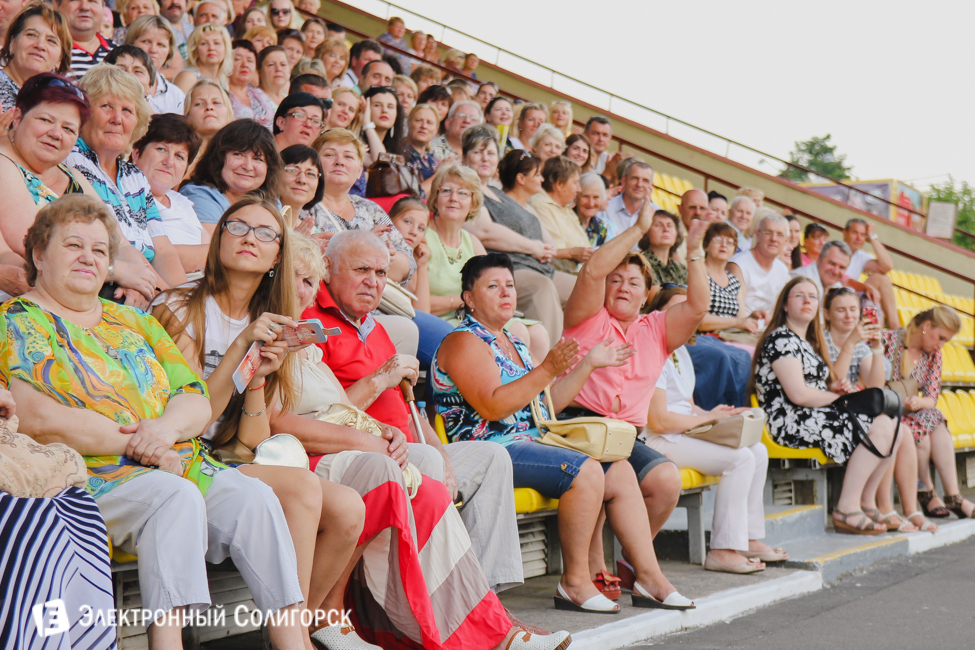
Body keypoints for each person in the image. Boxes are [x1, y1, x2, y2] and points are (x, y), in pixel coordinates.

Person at [2, 193, 310, 648]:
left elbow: (193, 397)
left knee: (254, 499)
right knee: (174, 496)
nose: (88, 257)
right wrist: (141, 445)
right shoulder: (18, 320)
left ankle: (292, 643)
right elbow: (37, 417)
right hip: (90, 476)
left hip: (173, 459)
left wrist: (163, 432)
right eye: (72, 246)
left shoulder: (134, 320)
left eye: (100, 250)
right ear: (38, 255)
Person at [299, 229, 572, 650]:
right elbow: (329, 410)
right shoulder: (313, 322)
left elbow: (408, 405)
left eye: (381, 272)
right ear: (328, 271)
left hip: (403, 446)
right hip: (360, 453)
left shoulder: (375, 326)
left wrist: (441, 453)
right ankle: (474, 620)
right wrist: (381, 381)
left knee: (488, 458)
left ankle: (485, 607)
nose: (373, 281)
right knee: (420, 469)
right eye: (361, 270)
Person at [152, 194, 369, 649]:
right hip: (182, 453)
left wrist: (258, 381)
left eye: (266, 233)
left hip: (228, 455)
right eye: (237, 227)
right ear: (218, 241)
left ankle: (295, 628)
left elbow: (251, 439)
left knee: (348, 509)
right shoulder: (178, 307)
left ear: (277, 256)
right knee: (305, 489)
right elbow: (193, 416)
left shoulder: (273, 322)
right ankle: (291, 641)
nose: (250, 238)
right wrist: (239, 352)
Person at [434, 250, 694, 613]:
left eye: (509, 285)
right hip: (489, 449)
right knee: (585, 470)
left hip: (529, 440)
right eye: (492, 286)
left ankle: (650, 578)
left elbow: (545, 406)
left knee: (617, 469)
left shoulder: (514, 342)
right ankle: (574, 582)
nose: (506, 293)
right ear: (469, 298)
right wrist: (546, 369)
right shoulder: (464, 340)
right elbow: (493, 407)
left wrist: (588, 364)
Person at [646, 286, 784, 573]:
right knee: (740, 458)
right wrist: (704, 421)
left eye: (690, 309)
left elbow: (687, 405)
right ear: (657, 314)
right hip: (658, 439)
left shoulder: (681, 350)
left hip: (682, 431)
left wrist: (714, 414)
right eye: (676, 308)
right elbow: (659, 421)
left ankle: (747, 537)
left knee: (757, 451)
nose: (685, 315)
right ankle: (722, 550)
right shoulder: (652, 351)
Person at [752, 275, 903, 534]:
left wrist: (831, 390)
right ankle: (846, 508)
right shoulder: (780, 339)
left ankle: (862, 503)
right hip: (789, 420)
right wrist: (843, 399)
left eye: (812, 296)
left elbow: (812, 389)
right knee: (878, 426)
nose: (807, 300)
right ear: (785, 305)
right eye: (799, 295)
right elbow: (798, 395)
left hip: (810, 413)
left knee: (893, 426)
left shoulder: (807, 342)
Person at [821, 287, 930, 533]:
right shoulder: (820, 338)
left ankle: (872, 503)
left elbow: (876, 385)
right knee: (885, 425)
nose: (849, 316)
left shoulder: (860, 345)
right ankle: (862, 505)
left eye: (853, 310)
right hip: (826, 408)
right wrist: (849, 343)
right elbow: (832, 378)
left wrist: (878, 347)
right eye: (841, 310)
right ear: (826, 313)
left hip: (849, 409)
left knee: (900, 429)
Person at [68, 64, 186, 292]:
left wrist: (180, 298)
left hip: (143, 284)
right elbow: (116, 247)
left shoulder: (135, 176)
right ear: (84, 114)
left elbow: (163, 250)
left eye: (127, 111)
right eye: (106, 106)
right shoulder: (73, 159)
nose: (117, 119)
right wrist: (162, 298)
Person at [463, 131, 573, 348]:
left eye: (491, 153)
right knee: (540, 287)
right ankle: (554, 365)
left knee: (587, 288)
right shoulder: (467, 190)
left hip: (540, 266)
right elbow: (484, 231)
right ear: (465, 157)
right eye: (478, 152)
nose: (485, 158)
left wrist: (544, 248)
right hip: (509, 269)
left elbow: (535, 227)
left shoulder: (500, 193)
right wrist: (534, 247)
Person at [0, 73, 102, 300]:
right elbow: (31, 247)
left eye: (68, 129)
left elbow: (119, 242)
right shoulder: (3, 163)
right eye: (45, 120)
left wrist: (150, 288)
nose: (56, 134)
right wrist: (116, 272)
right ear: (17, 118)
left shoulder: (73, 175)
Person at [882, 306, 975, 521]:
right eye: (940, 337)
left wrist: (919, 401)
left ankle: (953, 495)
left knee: (936, 418)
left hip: (910, 410)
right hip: (885, 410)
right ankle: (926, 491)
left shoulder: (933, 355)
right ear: (926, 326)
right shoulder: (887, 340)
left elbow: (932, 397)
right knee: (921, 434)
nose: (940, 345)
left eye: (945, 341)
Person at [131, 113, 208, 274]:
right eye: (161, 149)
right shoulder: (125, 196)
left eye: (179, 156)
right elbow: (145, 256)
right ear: (136, 154)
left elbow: (217, 251)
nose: (169, 162)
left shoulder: (182, 203)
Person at [180, 115, 282, 224]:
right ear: (219, 158)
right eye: (238, 154)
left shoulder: (272, 203)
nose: (248, 166)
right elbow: (214, 241)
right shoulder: (199, 195)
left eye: (258, 159)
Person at [0, 3, 72, 112]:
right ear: (12, 43)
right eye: (31, 35)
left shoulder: (59, 103)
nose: (40, 45)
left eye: (51, 41)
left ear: (60, 59)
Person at [529, 156, 590, 275]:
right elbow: (550, 251)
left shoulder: (567, 208)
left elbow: (585, 246)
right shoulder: (540, 204)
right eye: (575, 183)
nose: (579, 189)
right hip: (557, 272)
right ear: (559, 185)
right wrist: (573, 253)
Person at [698, 222, 760, 334]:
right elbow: (699, 320)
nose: (724, 245)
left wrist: (752, 318)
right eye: (718, 240)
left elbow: (741, 318)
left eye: (730, 242)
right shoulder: (698, 274)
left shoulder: (734, 282)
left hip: (728, 336)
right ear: (706, 245)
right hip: (703, 336)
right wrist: (737, 322)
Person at [728, 211, 791, 319]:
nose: (774, 239)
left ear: (786, 241)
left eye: (780, 234)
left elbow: (775, 314)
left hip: (765, 331)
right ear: (757, 235)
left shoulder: (782, 270)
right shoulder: (739, 264)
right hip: (738, 330)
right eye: (768, 232)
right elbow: (738, 315)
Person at [124, 14, 186, 114]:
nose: (153, 50)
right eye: (146, 42)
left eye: (160, 45)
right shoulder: (115, 84)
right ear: (131, 44)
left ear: (169, 51)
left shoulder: (176, 95)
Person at [843, 217, 898, 327]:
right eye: (855, 233)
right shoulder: (835, 249)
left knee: (882, 279)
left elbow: (887, 266)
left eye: (863, 235)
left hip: (853, 298)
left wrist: (872, 236)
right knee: (875, 291)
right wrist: (865, 287)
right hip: (838, 297)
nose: (859, 238)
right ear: (844, 233)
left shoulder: (860, 256)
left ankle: (895, 328)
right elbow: (843, 281)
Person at [56, 0, 114, 80]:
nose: (85, 7)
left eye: (92, 1)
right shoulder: (47, 50)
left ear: (103, 7)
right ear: (56, 5)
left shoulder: (118, 52)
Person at [595, 160, 657, 235]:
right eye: (635, 178)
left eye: (645, 181)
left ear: (651, 187)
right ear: (624, 180)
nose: (639, 184)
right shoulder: (605, 208)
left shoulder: (656, 213)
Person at [790, 239, 851, 314]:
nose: (835, 271)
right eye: (832, 263)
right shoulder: (800, 279)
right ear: (819, 259)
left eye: (842, 267)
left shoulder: (837, 287)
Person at [227, 38, 275, 128]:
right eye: (237, 59)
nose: (245, 64)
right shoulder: (221, 95)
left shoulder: (260, 94)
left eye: (250, 61)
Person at [639, 209, 685, 300]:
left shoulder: (680, 267)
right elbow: (657, 300)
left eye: (670, 225)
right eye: (658, 225)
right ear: (646, 233)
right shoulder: (640, 262)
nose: (665, 229)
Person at [173, 22, 231, 94]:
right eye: (204, 43)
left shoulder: (222, 80)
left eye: (216, 43)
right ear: (195, 50)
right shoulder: (189, 77)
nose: (211, 48)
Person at [183, 78, 233, 154]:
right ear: (187, 114)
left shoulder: (242, 151)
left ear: (228, 111)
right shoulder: (178, 155)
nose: (209, 107)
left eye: (216, 102)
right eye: (199, 103)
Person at [279, 143, 323, 224]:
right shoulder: (259, 218)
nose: (302, 180)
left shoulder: (311, 232)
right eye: (293, 170)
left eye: (310, 174)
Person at [402, 102, 439, 195]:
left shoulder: (433, 159)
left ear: (436, 130)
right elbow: (414, 195)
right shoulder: (399, 154)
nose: (424, 126)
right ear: (408, 123)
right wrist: (439, 174)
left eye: (429, 123)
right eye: (418, 121)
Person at [574, 171, 615, 246]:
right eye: (585, 196)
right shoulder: (565, 220)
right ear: (576, 197)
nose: (591, 203)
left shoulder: (601, 228)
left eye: (596, 197)